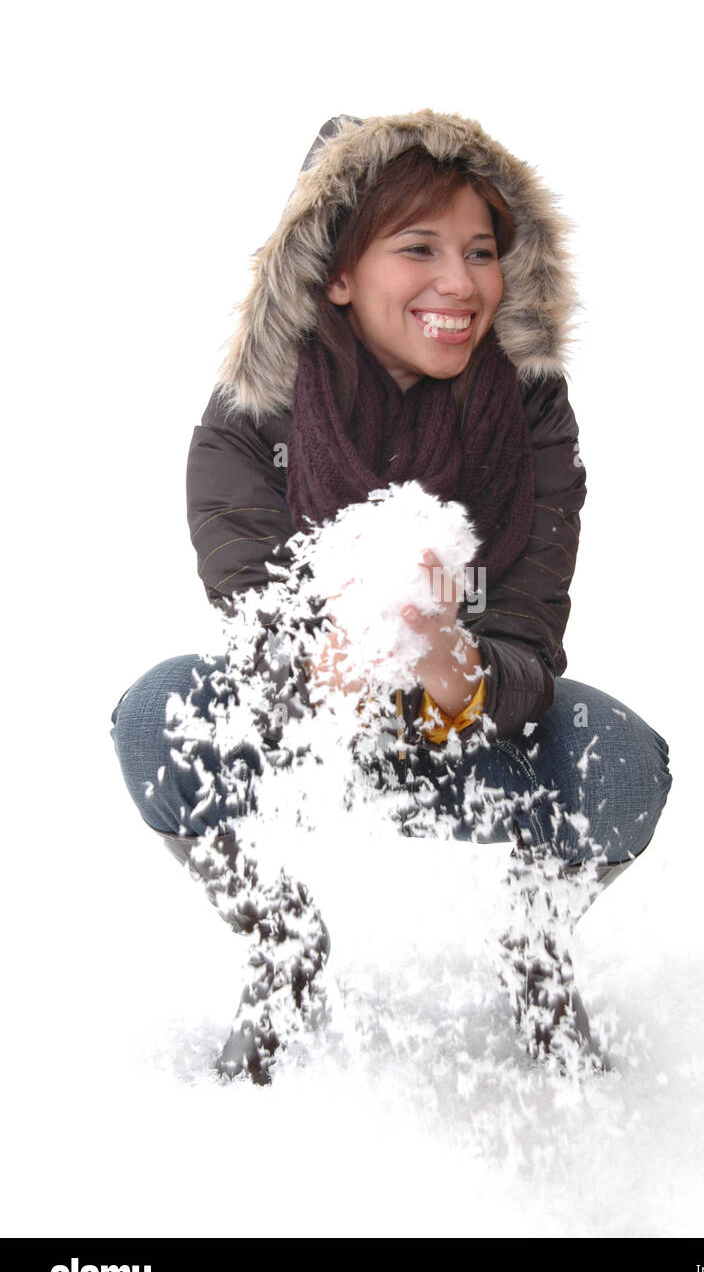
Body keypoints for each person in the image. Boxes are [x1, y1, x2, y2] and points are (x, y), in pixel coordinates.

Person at [110, 111, 672, 1085]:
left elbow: (532, 627)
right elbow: (250, 593)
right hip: (310, 735)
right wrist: (315, 658)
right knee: (157, 718)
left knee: (621, 761)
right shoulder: (247, 417)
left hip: (471, 733)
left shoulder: (531, 416)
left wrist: (466, 674)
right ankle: (284, 950)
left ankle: (534, 957)